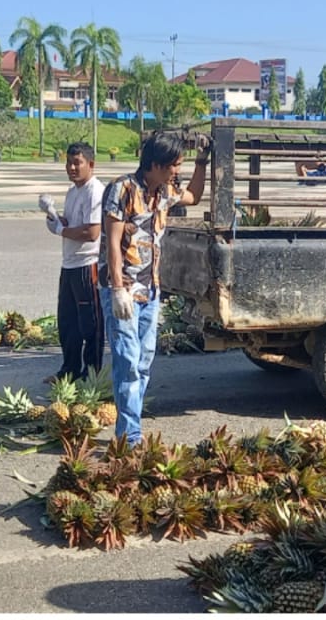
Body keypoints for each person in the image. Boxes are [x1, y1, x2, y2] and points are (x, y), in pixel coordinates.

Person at [100, 131, 208, 444]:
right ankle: (129, 436)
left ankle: (130, 424)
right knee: (128, 361)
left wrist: (202, 162)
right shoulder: (122, 188)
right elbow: (112, 243)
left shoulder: (164, 192)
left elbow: (193, 196)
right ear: (157, 164)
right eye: (174, 165)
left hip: (150, 289)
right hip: (123, 290)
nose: (177, 171)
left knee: (144, 360)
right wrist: (117, 288)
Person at [40, 142, 106, 381]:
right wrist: (54, 218)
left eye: (77, 163)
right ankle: (69, 370)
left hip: (88, 263)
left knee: (90, 323)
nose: (71, 168)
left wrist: (61, 230)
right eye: (68, 163)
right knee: (68, 321)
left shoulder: (94, 191)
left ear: (91, 164)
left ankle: (91, 375)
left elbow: (92, 232)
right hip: (69, 263)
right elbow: (71, 223)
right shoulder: (73, 191)